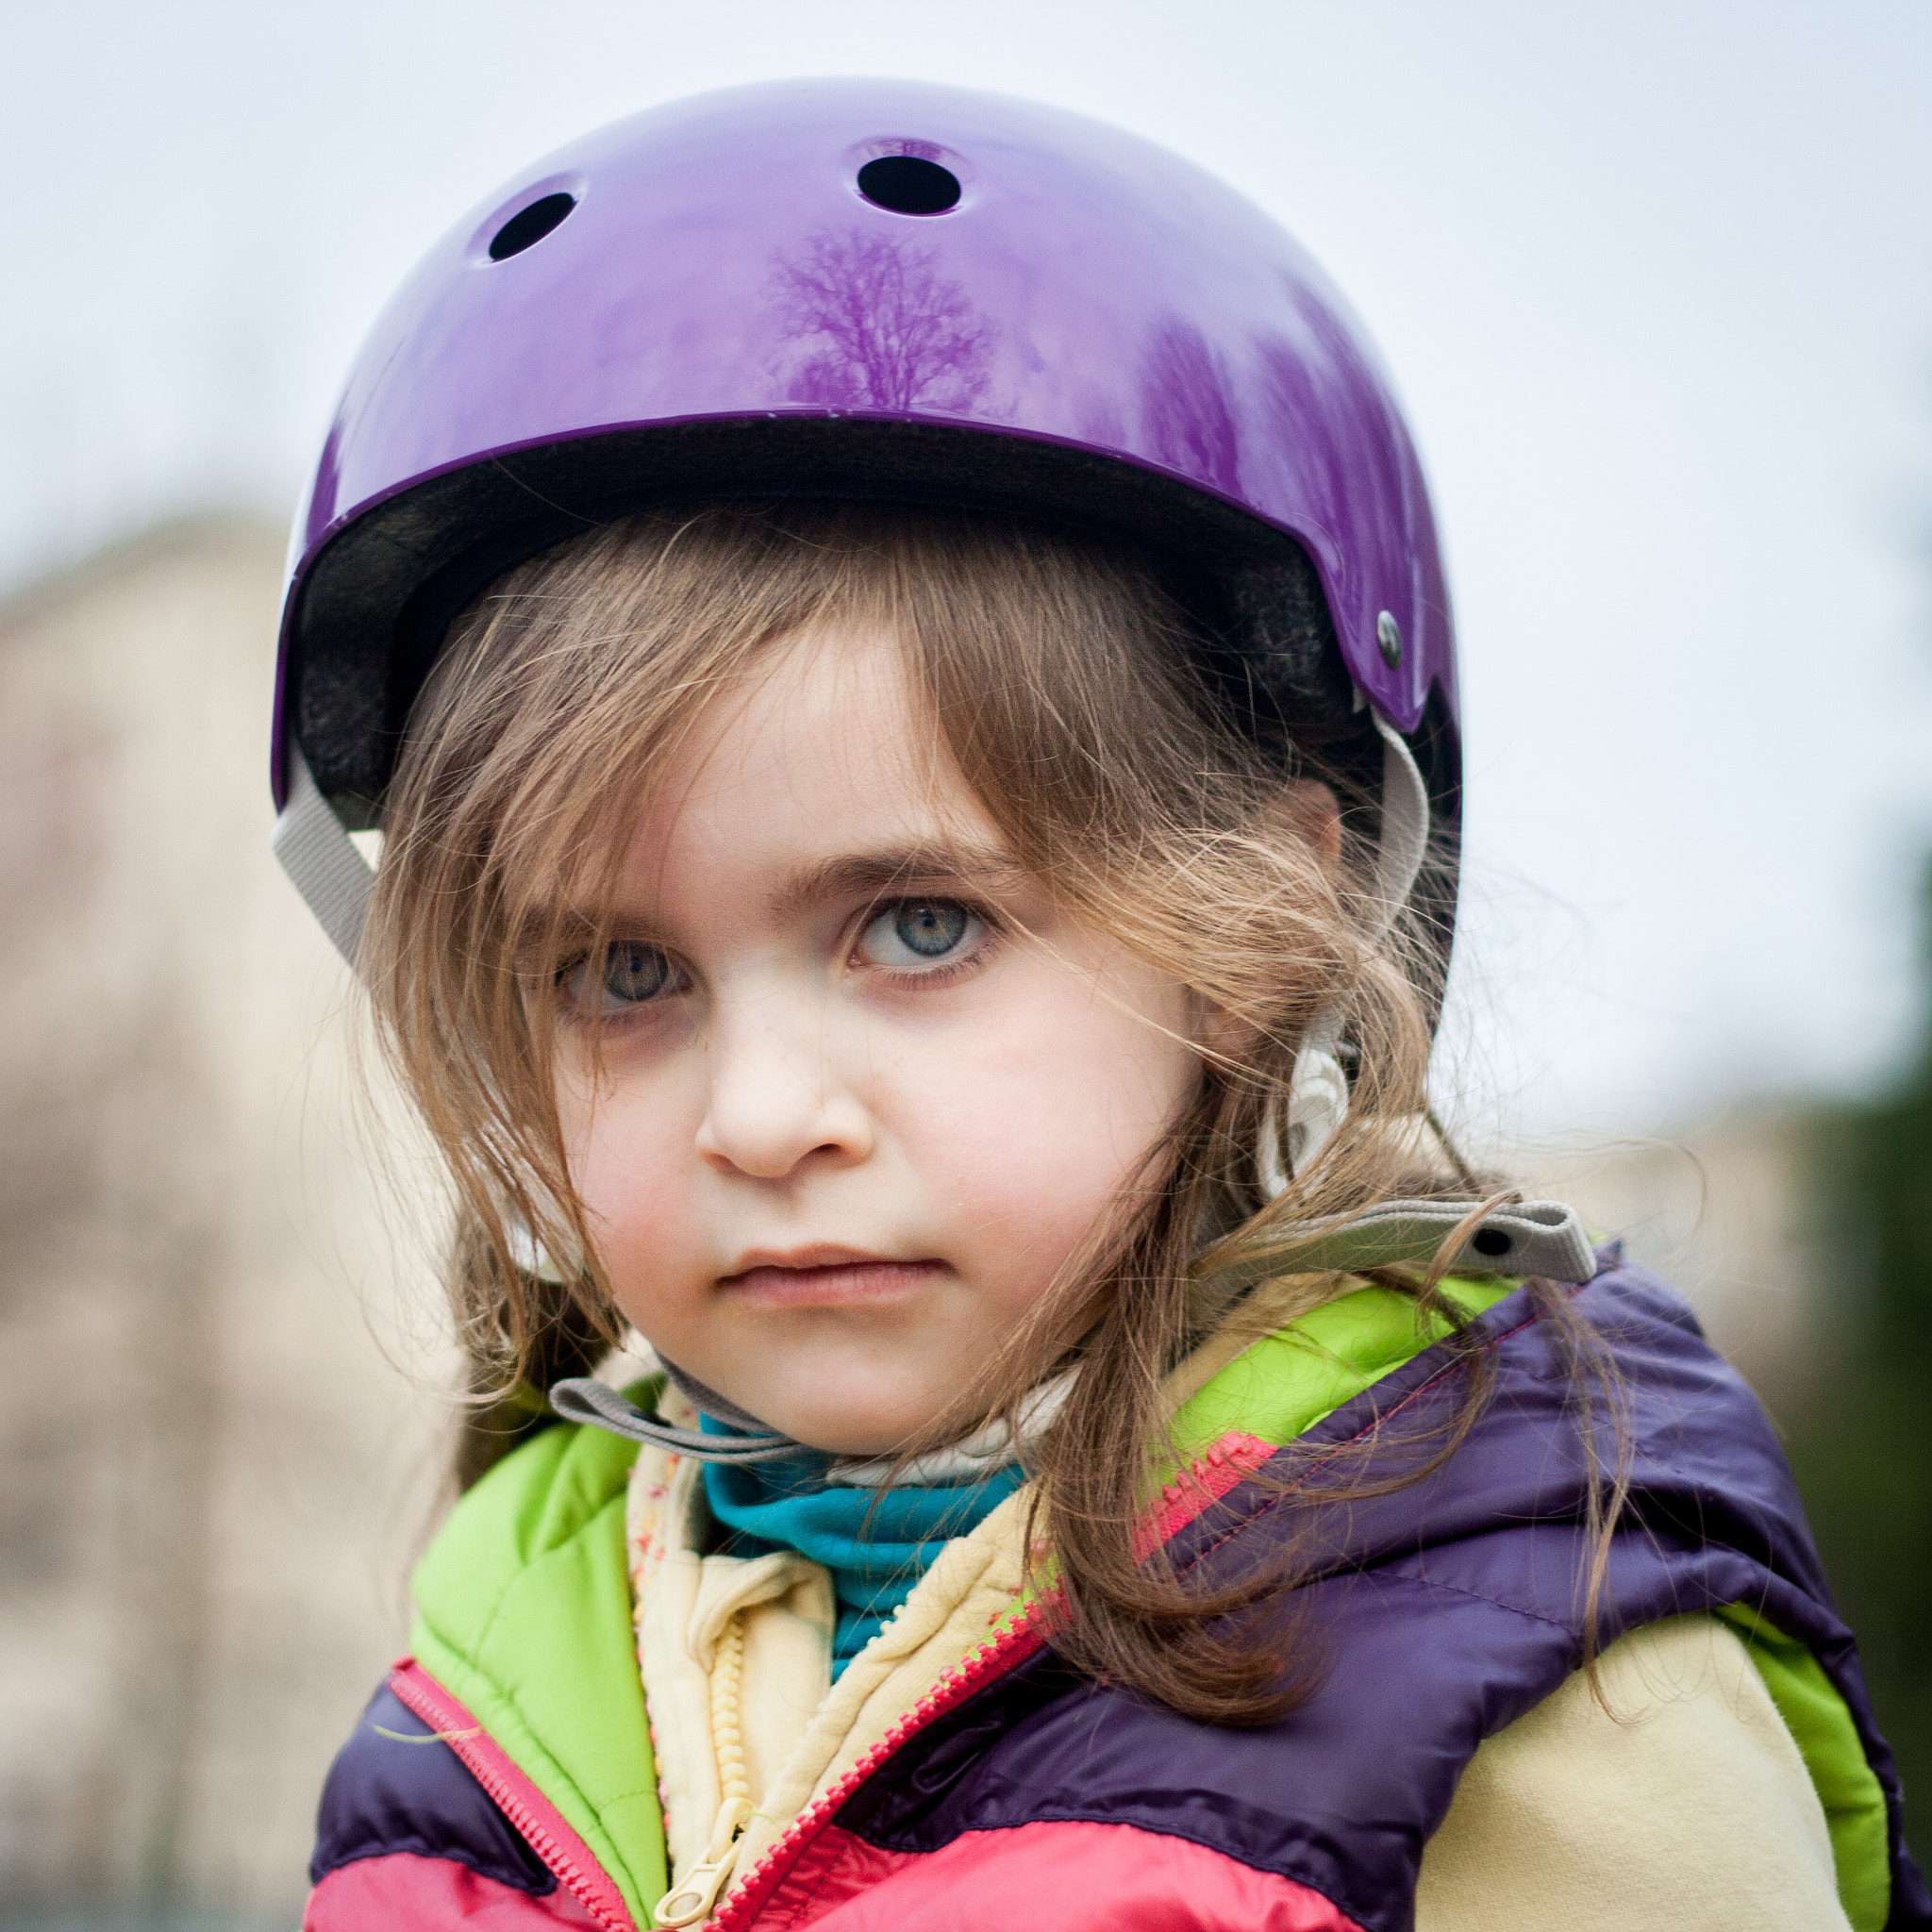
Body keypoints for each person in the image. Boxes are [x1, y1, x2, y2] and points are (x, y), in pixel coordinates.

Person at [282, 80, 1924, 1932]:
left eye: (913, 925)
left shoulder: (1552, 1701)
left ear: (1276, 919)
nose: (755, 1114)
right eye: (623, 972)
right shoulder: (474, 1690)